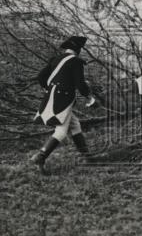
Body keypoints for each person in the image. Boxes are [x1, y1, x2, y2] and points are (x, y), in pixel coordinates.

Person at [31, 35, 95, 174]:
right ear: (78, 49)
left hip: (52, 97)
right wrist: (89, 97)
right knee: (61, 131)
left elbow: (41, 77)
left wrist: (48, 89)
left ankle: (87, 156)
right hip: (64, 100)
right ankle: (41, 156)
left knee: (75, 124)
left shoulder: (56, 59)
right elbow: (80, 84)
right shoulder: (76, 62)